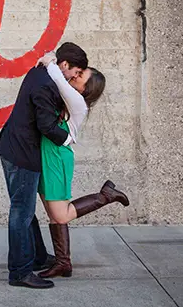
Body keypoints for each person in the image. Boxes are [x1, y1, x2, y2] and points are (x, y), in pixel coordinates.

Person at [0, 42, 88, 289]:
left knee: (25, 211)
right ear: (64, 65)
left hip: (14, 148)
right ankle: (20, 272)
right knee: (21, 213)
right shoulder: (46, 86)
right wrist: (68, 139)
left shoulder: (43, 72)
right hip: (22, 154)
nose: (75, 78)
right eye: (75, 73)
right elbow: (47, 126)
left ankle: (36, 256)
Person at [35, 52, 130, 279]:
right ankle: (63, 263)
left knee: (62, 215)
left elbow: (58, 78)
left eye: (80, 77)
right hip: (47, 156)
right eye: (77, 73)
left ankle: (106, 195)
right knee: (53, 214)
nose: (75, 77)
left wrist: (50, 61)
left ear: (86, 89)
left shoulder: (78, 103)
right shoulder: (68, 98)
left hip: (57, 158)